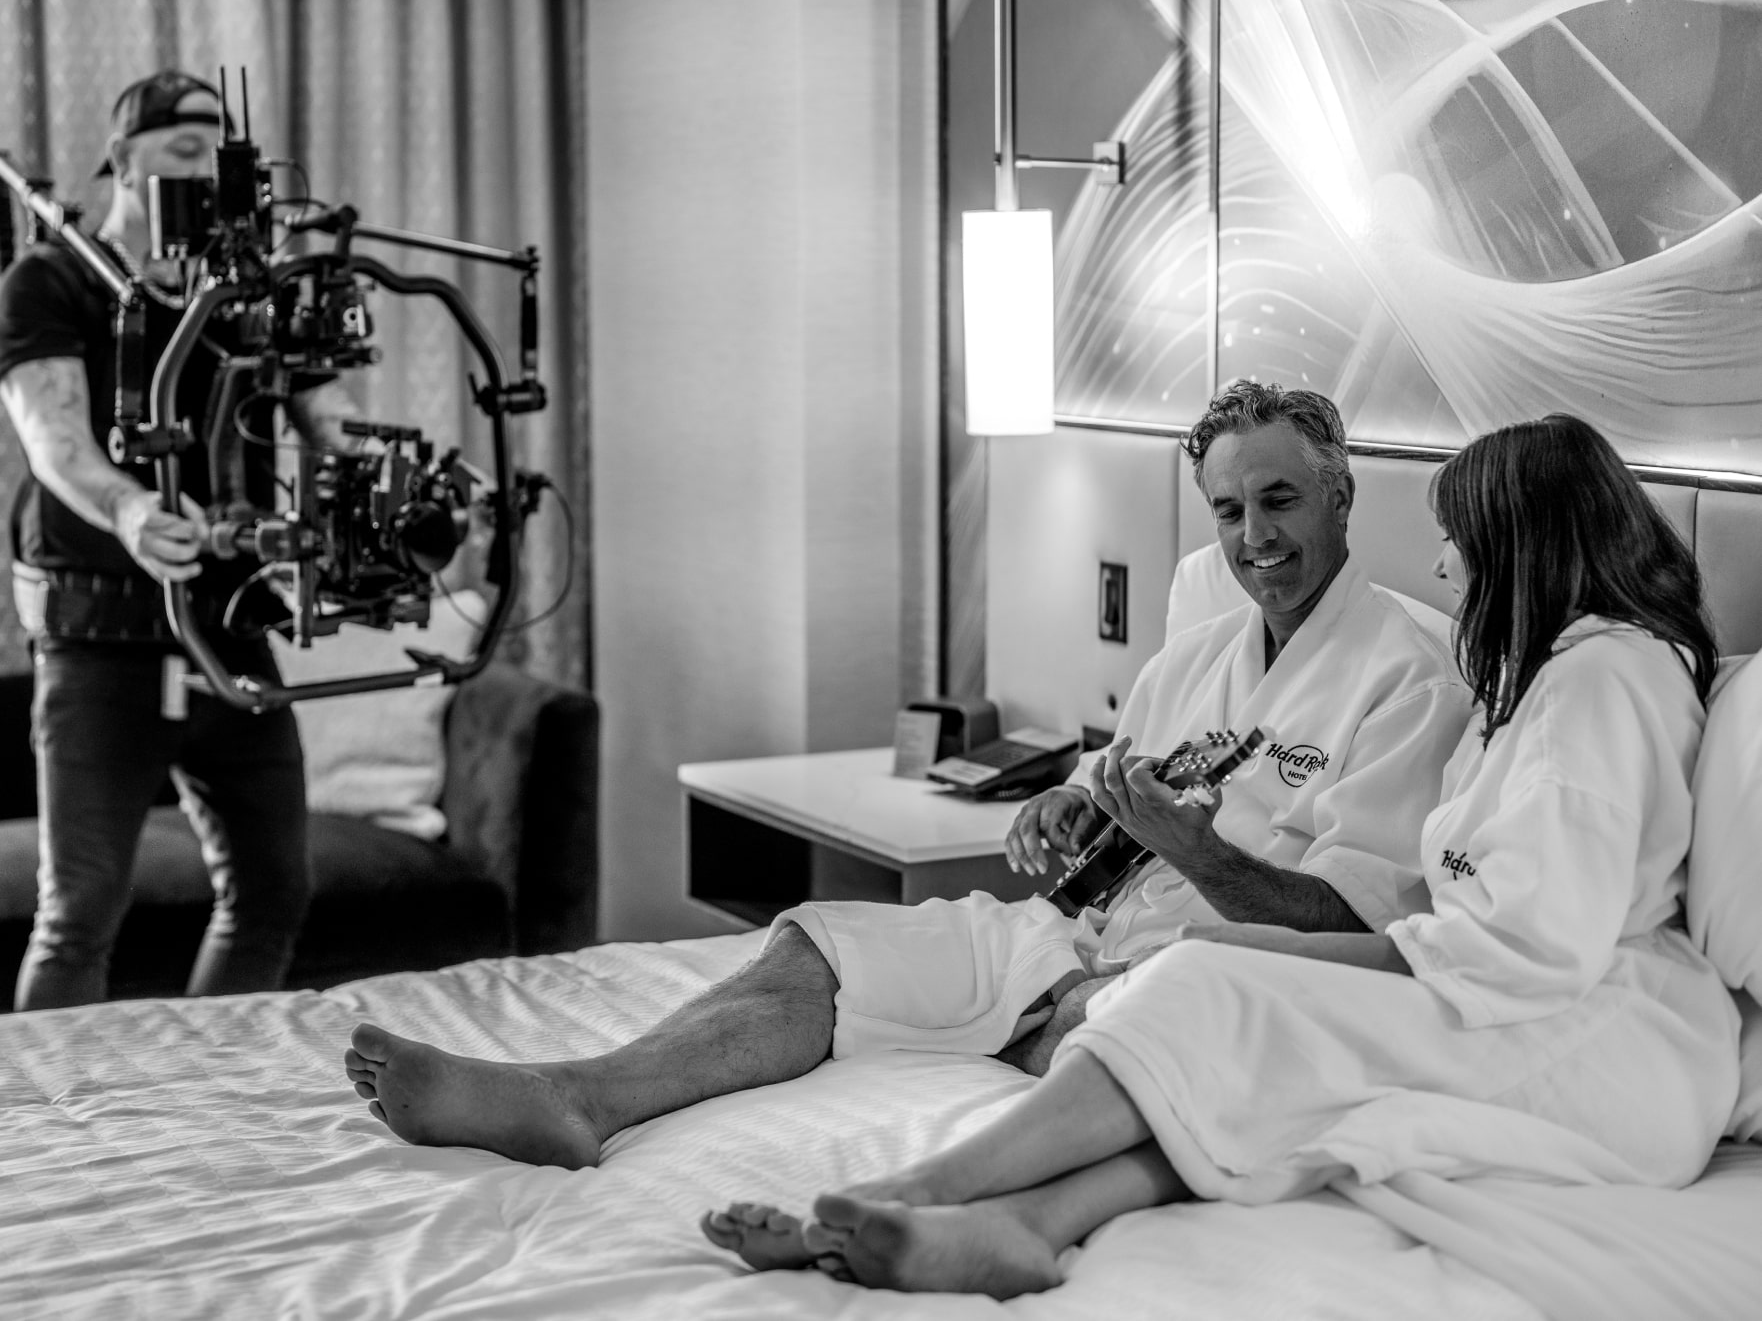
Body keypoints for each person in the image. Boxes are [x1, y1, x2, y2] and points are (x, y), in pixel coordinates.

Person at [706, 413, 1741, 1299]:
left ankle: (913, 1189)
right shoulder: (1548, 677)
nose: (1441, 565)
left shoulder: (1593, 685)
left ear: (1520, 540)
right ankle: (1024, 1223)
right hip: (1511, 989)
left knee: (1210, 984)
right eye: (1227, 510)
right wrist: (1092, 807)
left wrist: (1275, 948)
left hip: (1592, 1031)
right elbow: (1498, 909)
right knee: (1238, 1035)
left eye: (1454, 539)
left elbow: (1525, 944)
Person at [341, 380, 1473, 1171]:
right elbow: (1107, 783)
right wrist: (1062, 807)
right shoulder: (1199, 650)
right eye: (1228, 511)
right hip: (1073, 934)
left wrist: (1200, 855)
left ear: (1340, 496)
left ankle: (1034, 1048)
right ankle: (576, 1095)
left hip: (1201, 975)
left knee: (1102, 1021)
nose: (1253, 537)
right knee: (816, 945)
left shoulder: (1408, 679)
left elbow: (1357, 924)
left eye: (1279, 500)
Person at [0, 70, 359, 1009]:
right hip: (99, 639)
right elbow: (53, 439)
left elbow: (332, 420)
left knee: (273, 893)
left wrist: (413, 488)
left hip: (228, 625)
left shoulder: (247, 296)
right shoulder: (52, 280)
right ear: (123, 160)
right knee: (78, 915)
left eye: (221, 159)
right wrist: (129, 509)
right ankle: (44, 1103)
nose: (207, 176)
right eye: (185, 152)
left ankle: (208, 1080)